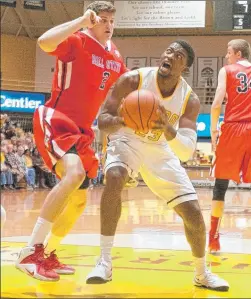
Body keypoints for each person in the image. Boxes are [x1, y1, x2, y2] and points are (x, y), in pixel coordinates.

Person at [86, 40, 229, 291]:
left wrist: (169, 130)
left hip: (160, 148)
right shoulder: (133, 81)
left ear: (184, 66)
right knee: (115, 177)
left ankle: (201, 273)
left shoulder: (189, 100)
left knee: (194, 214)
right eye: (169, 51)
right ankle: (104, 262)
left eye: (179, 55)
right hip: (127, 139)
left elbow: (185, 151)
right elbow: (103, 121)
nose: (171, 56)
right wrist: (125, 119)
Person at [16, 1, 127, 281]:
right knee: (74, 173)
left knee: (79, 201)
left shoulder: (114, 55)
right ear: (91, 20)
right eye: (102, 19)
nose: (108, 25)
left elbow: (128, 85)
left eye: (111, 20)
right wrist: (80, 22)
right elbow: (43, 42)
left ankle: (49, 253)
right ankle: (30, 252)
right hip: (57, 118)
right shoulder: (76, 41)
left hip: (83, 131)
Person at [208, 39, 251, 252]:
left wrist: (213, 131)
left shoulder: (226, 70)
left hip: (233, 127)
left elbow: (216, 103)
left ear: (238, 54)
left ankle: (213, 239)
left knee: (220, 185)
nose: (226, 56)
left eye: (229, 52)